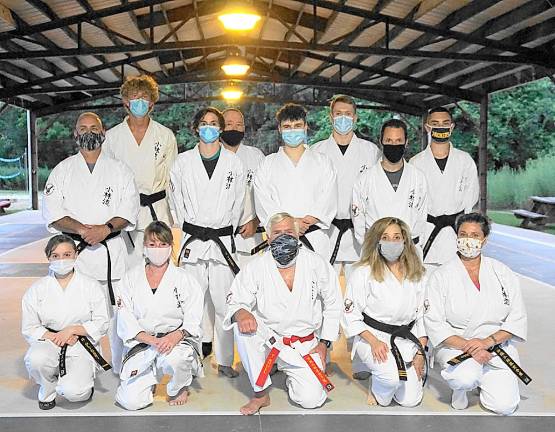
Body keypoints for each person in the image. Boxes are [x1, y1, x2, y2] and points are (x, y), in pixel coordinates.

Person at [42, 112, 139, 374]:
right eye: (82, 127)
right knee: (80, 313)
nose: (88, 131)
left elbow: (130, 208)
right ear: (75, 134)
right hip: (79, 254)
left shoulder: (120, 170)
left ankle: (122, 367)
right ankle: (83, 367)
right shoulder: (62, 170)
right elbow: (52, 211)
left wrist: (105, 229)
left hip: (111, 253)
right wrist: (83, 230)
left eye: (94, 127)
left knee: (119, 315)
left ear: (104, 132)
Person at [224, 212, 342, 415]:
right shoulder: (256, 267)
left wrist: (325, 344)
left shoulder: (315, 263)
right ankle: (260, 394)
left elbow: (333, 303)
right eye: (277, 233)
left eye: (289, 232)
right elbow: (236, 300)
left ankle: (289, 373)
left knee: (311, 400)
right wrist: (241, 312)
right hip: (268, 339)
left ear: (297, 235)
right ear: (268, 237)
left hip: (302, 342)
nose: (283, 237)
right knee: (242, 327)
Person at [424, 213, 528, 415]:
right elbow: (434, 323)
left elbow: (517, 318)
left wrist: (487, 342)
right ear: (456, 237)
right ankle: (462, 389)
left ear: (484, 240)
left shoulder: (503, 272)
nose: (468, 240)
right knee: (464, 378)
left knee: (504, 407)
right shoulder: (441, 275)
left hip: (496, 346)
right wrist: (471, 347)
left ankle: (483, 379)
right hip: (457, 346)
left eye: (474, 235)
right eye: (463, 234)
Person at [168, 107, 245, 378]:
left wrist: (227, 228)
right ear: (196, 128)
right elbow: (175, 201)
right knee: (192, 303)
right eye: (204, 123)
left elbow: (238, 203)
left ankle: (225, 360)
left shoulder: (234, 163)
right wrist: (187, 226)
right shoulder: (182, 162)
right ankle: (191, 357)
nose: (209, 127)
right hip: (193, 239)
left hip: (222, 238)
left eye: (214, 123)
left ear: (221, 129)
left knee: (225, 302)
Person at [115, 222, 204, 410]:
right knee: (130, 402)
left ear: (171, 246)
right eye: (152, 244)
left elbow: (194, 317)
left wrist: (174, 337)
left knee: (177, 360)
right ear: (144, 247)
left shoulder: (185, 279)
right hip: (143, 341)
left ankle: (178, 387)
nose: (158, 249)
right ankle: (149, 378)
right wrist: (151, 341)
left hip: (175, 341)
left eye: (163, 244)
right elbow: (125, 319)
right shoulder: (130, 278)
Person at [342, 217, 427, 407]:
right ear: (377, 241)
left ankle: (390, 377)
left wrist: (421, 352)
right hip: (374, 338)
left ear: (405, 241)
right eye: (385, 237)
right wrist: (373, 341)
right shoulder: (363, 273)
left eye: (397, 237)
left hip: (407, 338)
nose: (392, 242)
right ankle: (378, 384)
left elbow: (423, 315)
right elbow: (351, 314)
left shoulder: (417, 273)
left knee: (411, 401)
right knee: (389, 383)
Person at [22, 235, 110, 410]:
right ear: (48, 258)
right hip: (50, 340)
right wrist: (57, 336)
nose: (61, 260)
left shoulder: (90, 285)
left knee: (74, 394)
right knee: (35, 359)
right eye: (56, 256)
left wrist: (72, 330)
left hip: (80, 340)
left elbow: (102, 321)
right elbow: (30, 327)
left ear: (76, 255)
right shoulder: (37, 289)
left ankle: (76, 383)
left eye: (67, 254)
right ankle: (48, 388)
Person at [104, 75, 178, 267]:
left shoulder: (165, 135)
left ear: (152, 103)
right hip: (124, 212)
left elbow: (173, 179)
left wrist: (175, 214)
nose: (140, 102)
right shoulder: (112, 137)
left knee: (159, 265)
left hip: (157, 210)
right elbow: (106, 180)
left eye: (144, 97)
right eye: (134, 97)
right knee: (128, 268)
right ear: (125, 102)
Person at [253, 103, 337, 258]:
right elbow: (262, 199)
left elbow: (329, 197)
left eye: (297, 125)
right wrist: (290, 224)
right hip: (281, 235)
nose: (293, 130)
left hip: (314, 234)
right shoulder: (267, 163)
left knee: (316, 280)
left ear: (305, 127)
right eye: (287, 126)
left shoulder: (323, 162)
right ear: (279, 129)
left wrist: (305, 222)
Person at [312, 95, 380, 278]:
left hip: (359, 232)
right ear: (331, 116)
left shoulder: (371, 151)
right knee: (324, 288)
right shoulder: (317, 151)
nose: (343, 118)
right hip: (327, 231)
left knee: (359, 290)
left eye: (348, 114)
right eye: (339, 113)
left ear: (355, 118)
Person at [410, 107, 478, 265]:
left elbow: (471, 197)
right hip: (426, 234)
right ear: (428, 127)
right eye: (435, 123)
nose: (440, 127)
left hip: (456, 233)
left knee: (456, 284)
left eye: (445, 123)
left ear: (452, 127)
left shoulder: (465, 161)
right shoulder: (416, 163)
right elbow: (411, 205)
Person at [352, 119, 428, 248]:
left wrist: (413, 246)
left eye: (398, 141)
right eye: (389, 141)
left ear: (406, 142)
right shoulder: (365, 179)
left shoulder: (418, 177)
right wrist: (368, 247)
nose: (394, 145)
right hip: (376, 249)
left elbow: (422, 219)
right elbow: (358, 220)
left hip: (409, 248)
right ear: (381, 141)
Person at [221, 108, 265, 267]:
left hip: (249, 237)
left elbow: (266, 195)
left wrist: (257, 220)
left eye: (239, 124)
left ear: (244, 128)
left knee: (251, 287)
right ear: (220, 127)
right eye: (229, 124)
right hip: (218, 237)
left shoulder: (257, 156)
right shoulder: (212, 156)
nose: (234, 128)